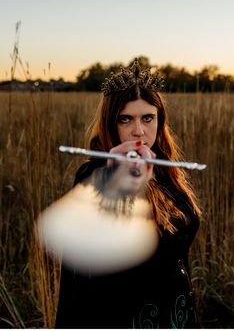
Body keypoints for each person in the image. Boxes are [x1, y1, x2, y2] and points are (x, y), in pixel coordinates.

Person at [55, 58, 201, 328]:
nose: (139, 131)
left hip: (176, 313)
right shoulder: (93, 174)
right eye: (126, 119)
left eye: (148, 118)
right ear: (111, 124)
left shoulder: (168, 173)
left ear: (160, 120)